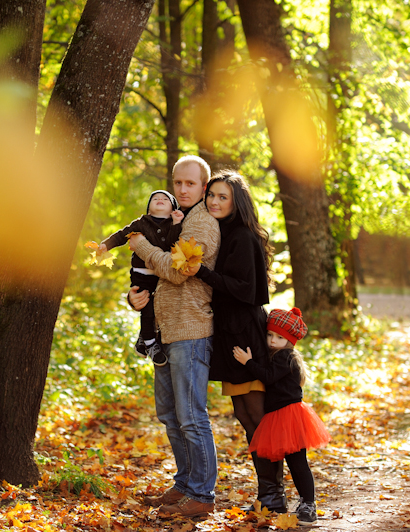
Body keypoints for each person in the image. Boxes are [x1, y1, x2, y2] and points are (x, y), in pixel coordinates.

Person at [180, 170, 283, 512]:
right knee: (245, 415)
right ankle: (269, 493)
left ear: (236, 202)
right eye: (211, 195)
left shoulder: (242, 236)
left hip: (245, 335)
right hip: (230, 334)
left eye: (222, 197)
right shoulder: (223, 232)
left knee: (256, 415)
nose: (214, 201)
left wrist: (202, 273)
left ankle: (274, 495)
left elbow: (246, 290)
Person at [128, 155, 220, 518]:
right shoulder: (174, 222)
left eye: (190, 184)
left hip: (190, 330)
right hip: (164, 331)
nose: (182, 189)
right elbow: (154, 276)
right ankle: (185, 484)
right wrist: (135, 297)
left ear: (204, 187)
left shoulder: (202, 223)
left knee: (191, 416)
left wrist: (141, 247)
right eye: (178, 182)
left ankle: (202, 494)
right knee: (169, 414)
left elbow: (179, 271)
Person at [232, 307, 330, 525]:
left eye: (279, 337)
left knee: (298, 463)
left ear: (290, 341)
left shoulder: (285, 356)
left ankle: (309, 504)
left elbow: (268, 377)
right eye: (270, 335)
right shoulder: (278, 355)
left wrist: (248, 362)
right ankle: (296, 501)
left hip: (290, 416)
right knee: (294, 462)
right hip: (279, 416)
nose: (272, 340)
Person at [98, 190, 184, 366]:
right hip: (142, 273)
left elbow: (172, 243)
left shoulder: (173, 224)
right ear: (149, 209)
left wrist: (176, 223)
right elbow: (122, 234)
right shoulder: (141, 223)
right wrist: (106, 245)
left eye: (165, 199)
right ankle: (150, 344)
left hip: (160, 274)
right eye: (155, 198)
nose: (160, 200)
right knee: (147, 307)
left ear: (173, 209)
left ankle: (142, 340)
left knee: (157, 306)